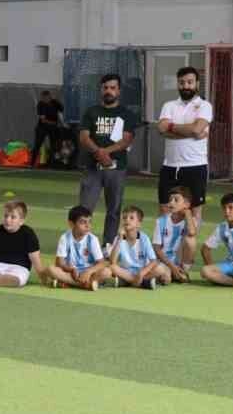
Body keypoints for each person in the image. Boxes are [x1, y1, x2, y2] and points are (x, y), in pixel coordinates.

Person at [78, 73, 140, 244]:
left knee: (114, 210)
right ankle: (81, 243)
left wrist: (105, 152)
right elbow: (84, 137)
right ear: (101, 90)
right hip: (93, 168)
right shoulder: (91, 112)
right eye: (105, 88)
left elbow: (127, 139)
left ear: (119, 91)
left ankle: (108, 244)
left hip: (116, 168)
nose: (108, 91)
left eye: (112, 88)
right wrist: (99, 153)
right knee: (84, 209)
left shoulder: (126, 114)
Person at [156, 66, 212, 235]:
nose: (186, 86)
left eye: (189, 82)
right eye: (182, 82)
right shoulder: (169, 105)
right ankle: (165, 247)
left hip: (195, 166)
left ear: (197, 84)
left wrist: (171, 127)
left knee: (194, 211)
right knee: (165, 209)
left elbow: (197, 129)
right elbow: (161, 129)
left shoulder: (205, 106)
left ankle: (188, 248)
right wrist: (190, 132)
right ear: (178, 84)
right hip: (170, 166)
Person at [46, 205, 111, 290]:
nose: (87, 225)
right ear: (71, 224)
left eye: (89, 222)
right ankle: (87, 284)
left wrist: (89, 271)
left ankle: (71, 283)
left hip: (89, 273)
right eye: (83, 222)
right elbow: (59, 263)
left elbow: (102, 263)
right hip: (72, 273)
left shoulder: (92, 239)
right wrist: (71, 269)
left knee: (107, 272)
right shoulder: (65, 238)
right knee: (50, 269)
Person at [110, 205, 166, 288]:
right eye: (124, 218)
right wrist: (119, 239)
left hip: (143, 271)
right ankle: (142, 282)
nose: (127, 220)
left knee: (160, 268)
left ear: (138, 224)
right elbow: (113, 261)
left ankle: (128, 282)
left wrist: (141, 273)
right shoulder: (118, 238)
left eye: (131, 218)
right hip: (127, 272)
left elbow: (153, 261)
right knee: (112, 267)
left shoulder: (144, 238)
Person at [152, 185, 196, 281]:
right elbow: (156, 248)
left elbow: (192, 233)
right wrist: (172, 267)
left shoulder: (189, 221)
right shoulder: (160, 221)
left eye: (176, 200)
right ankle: (171, 274)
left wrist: (188, 213)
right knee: (165, 277)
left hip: (180, 260)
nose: (171, 203)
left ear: (186, 204)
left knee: (191, 240)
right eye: (170, 200)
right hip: (164, 261)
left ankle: (184, 270)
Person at [31, 90, 63, 170]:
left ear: (49, 97)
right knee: (37, 144)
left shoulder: (54, 103)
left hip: (53, 128)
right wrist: (53, 123)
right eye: (43, 98)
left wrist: (56, 100)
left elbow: (61, 109)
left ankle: (52, 164)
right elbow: (43, 120)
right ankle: (32, 163)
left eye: (47, 97)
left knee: (54, 146)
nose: (45, 99)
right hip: (42, 127)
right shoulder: (40, 104)